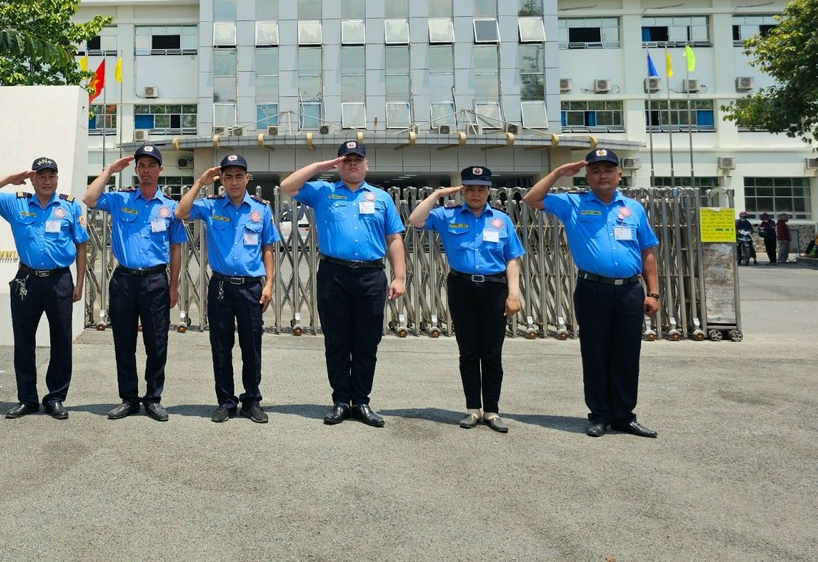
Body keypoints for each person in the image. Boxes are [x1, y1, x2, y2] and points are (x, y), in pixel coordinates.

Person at [523, 148, 660, 439]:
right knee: (595, 353)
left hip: (630, 291)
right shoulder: (573, 203)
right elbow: (531, 198)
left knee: (627, 354)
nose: (602, 175)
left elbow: (647, 250)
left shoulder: (633, 208)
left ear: (619, 175)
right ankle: (599, 415)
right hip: (592, 288)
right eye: (596, 170)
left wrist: (654, 293)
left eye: (608, 170)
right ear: (587, 175)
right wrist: (559, 173)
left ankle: (624, 416)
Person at [281, 141, 406, 427]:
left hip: (371, 276)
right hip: (333, 275)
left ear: (366, 165)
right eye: (346, 160)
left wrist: (399, 276)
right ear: (339, 164)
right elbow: (287, 186)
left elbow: (394, 238)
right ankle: (340, 400)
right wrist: (320, 167)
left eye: (357, 160)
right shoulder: (324, 192)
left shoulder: (381, 197)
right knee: (336, 340)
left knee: (366, 342)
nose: (352, 164)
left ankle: (360, 401)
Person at [408, 166, 525, 433]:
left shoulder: (501, 219)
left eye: (481, 188)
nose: (475, 193)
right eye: (470, 188)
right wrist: (438, 193)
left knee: (493, 352)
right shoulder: (447, 215)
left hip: (495, 287)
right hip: (461, 287)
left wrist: (514, 293)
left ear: (488, 191)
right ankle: (473, 409)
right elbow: (416, 219)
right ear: (462, 190)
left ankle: (492, 410)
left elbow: (512, 259)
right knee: (468, 350)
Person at [0, 157, 87, 420]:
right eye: (41, 177)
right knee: (24, 341)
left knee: (61, 341)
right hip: (27, 281)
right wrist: (9, 178)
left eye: (51, 176)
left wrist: (79, 282)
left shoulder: (69, 206)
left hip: (59, 280)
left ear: (57, 179)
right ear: (33, 180)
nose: (47, 181)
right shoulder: (17, 203)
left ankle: (56, 397)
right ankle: (27, 399)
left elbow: (81, 244)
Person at [83, 144, 188, 422]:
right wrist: (109, 170)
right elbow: (90, 198)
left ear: (160, 170)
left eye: (152, 165)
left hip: (155, 280)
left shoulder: (170, 208)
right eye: (141, 165)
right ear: (136, 170)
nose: (146, 171)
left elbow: (176, 248)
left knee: (157, 343)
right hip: (124, 280)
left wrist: (174, 285)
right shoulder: (121, 200)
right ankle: (128, 398)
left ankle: (153, 398)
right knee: (123, 341)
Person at [175, 154, 279, 424]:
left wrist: (268, 283)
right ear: (222, 180)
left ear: (247, 178)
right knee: (221, 346)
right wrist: (200, 182)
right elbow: (180, 212)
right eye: (228, 176)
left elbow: (268, 248)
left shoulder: (261, 209)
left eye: (239, 176)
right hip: (221, 286)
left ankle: (252, 400)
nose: (234, 182)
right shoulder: (211, 206)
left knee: (251, 347)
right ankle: (225, 401)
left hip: (251, 288)